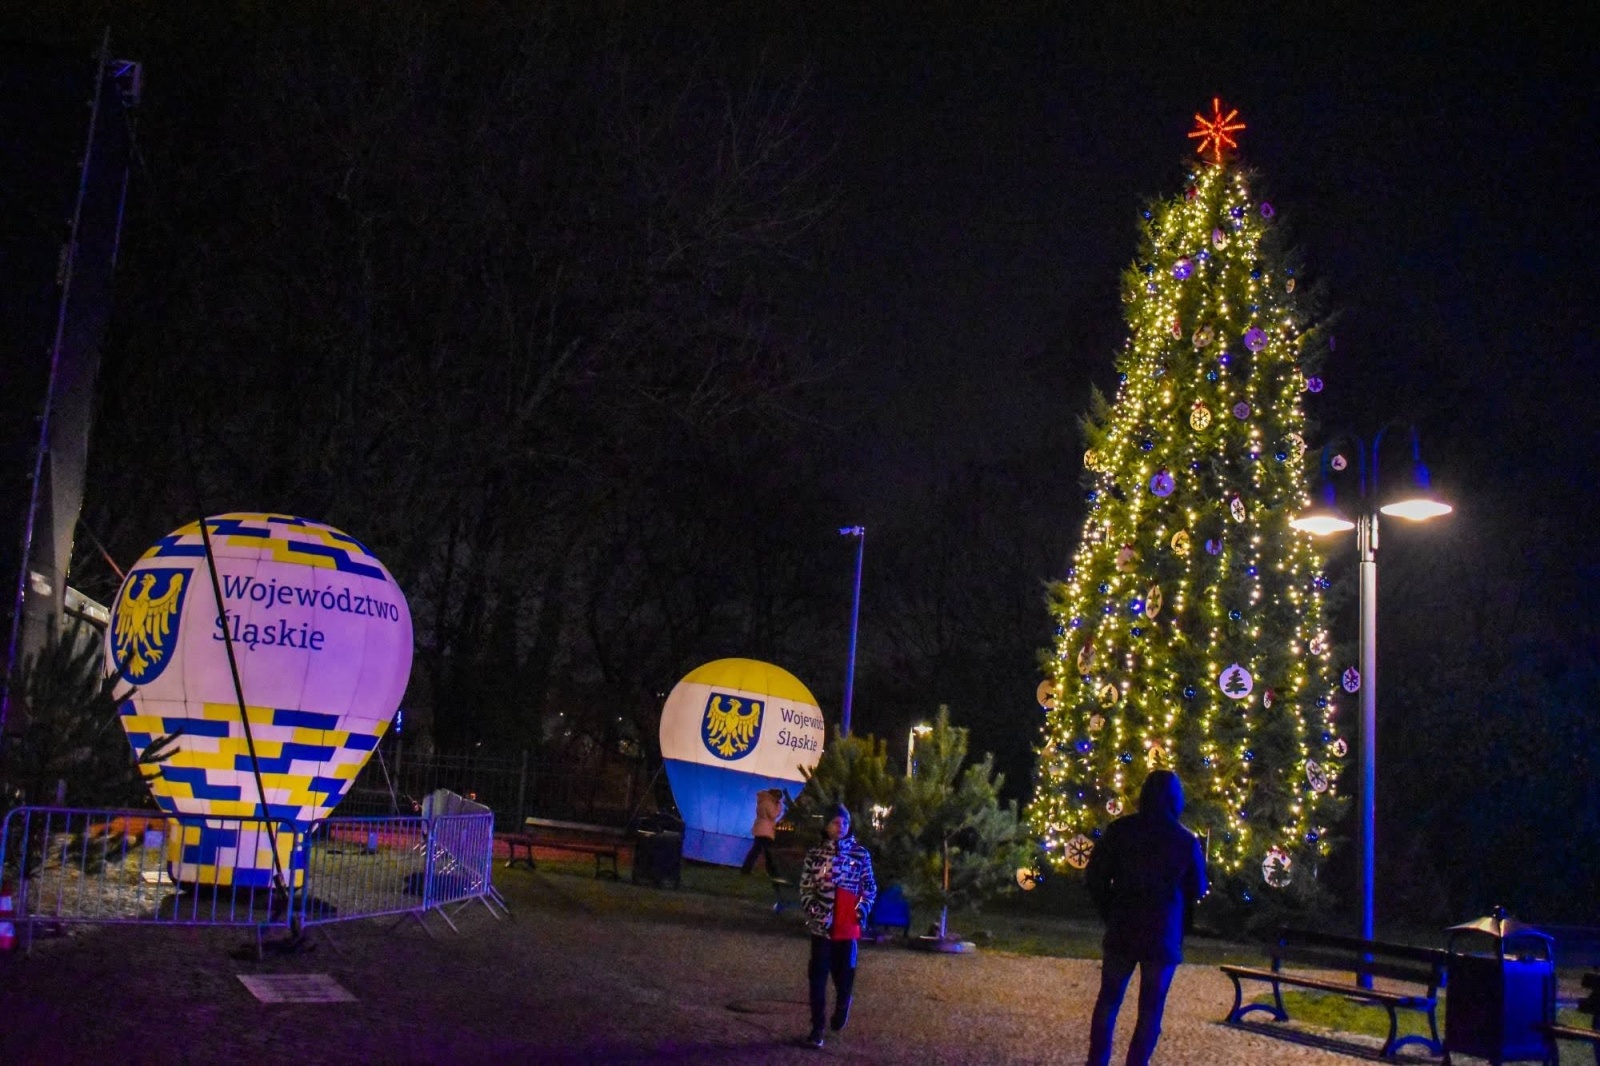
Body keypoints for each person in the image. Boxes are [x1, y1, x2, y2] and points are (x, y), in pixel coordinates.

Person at [1083, 769, 1209, 1066]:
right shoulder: (1185, 841)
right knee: (1151, 1010)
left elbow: (1095, 876)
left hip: (1123, 925)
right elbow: (1198, 887)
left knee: (1109, 1001)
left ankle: (1097, 1061)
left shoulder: (1121, 830)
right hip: (1162, 933)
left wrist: (1109, 910)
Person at [798, 803, 877, 1049]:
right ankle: (817, 1028)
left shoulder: (860, 855)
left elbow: (869, 887)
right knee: (817, 977)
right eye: (835, 822)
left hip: (847, 927)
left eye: (844, 822)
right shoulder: (814, 855)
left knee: (844, 975)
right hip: (821, 928)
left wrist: (860, 910)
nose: (840, 826)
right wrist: (814, 911)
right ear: (826, 825)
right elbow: (806, 887)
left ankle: (843, 1003)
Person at [740, 787, 788, 877]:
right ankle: (772, 872)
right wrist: (779, 807)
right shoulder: (769, 803)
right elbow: (773, 815)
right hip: (766, 830)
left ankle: (746, 869)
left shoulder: (762, 801)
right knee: (769, 852)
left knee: (755, 851)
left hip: (760, 828)